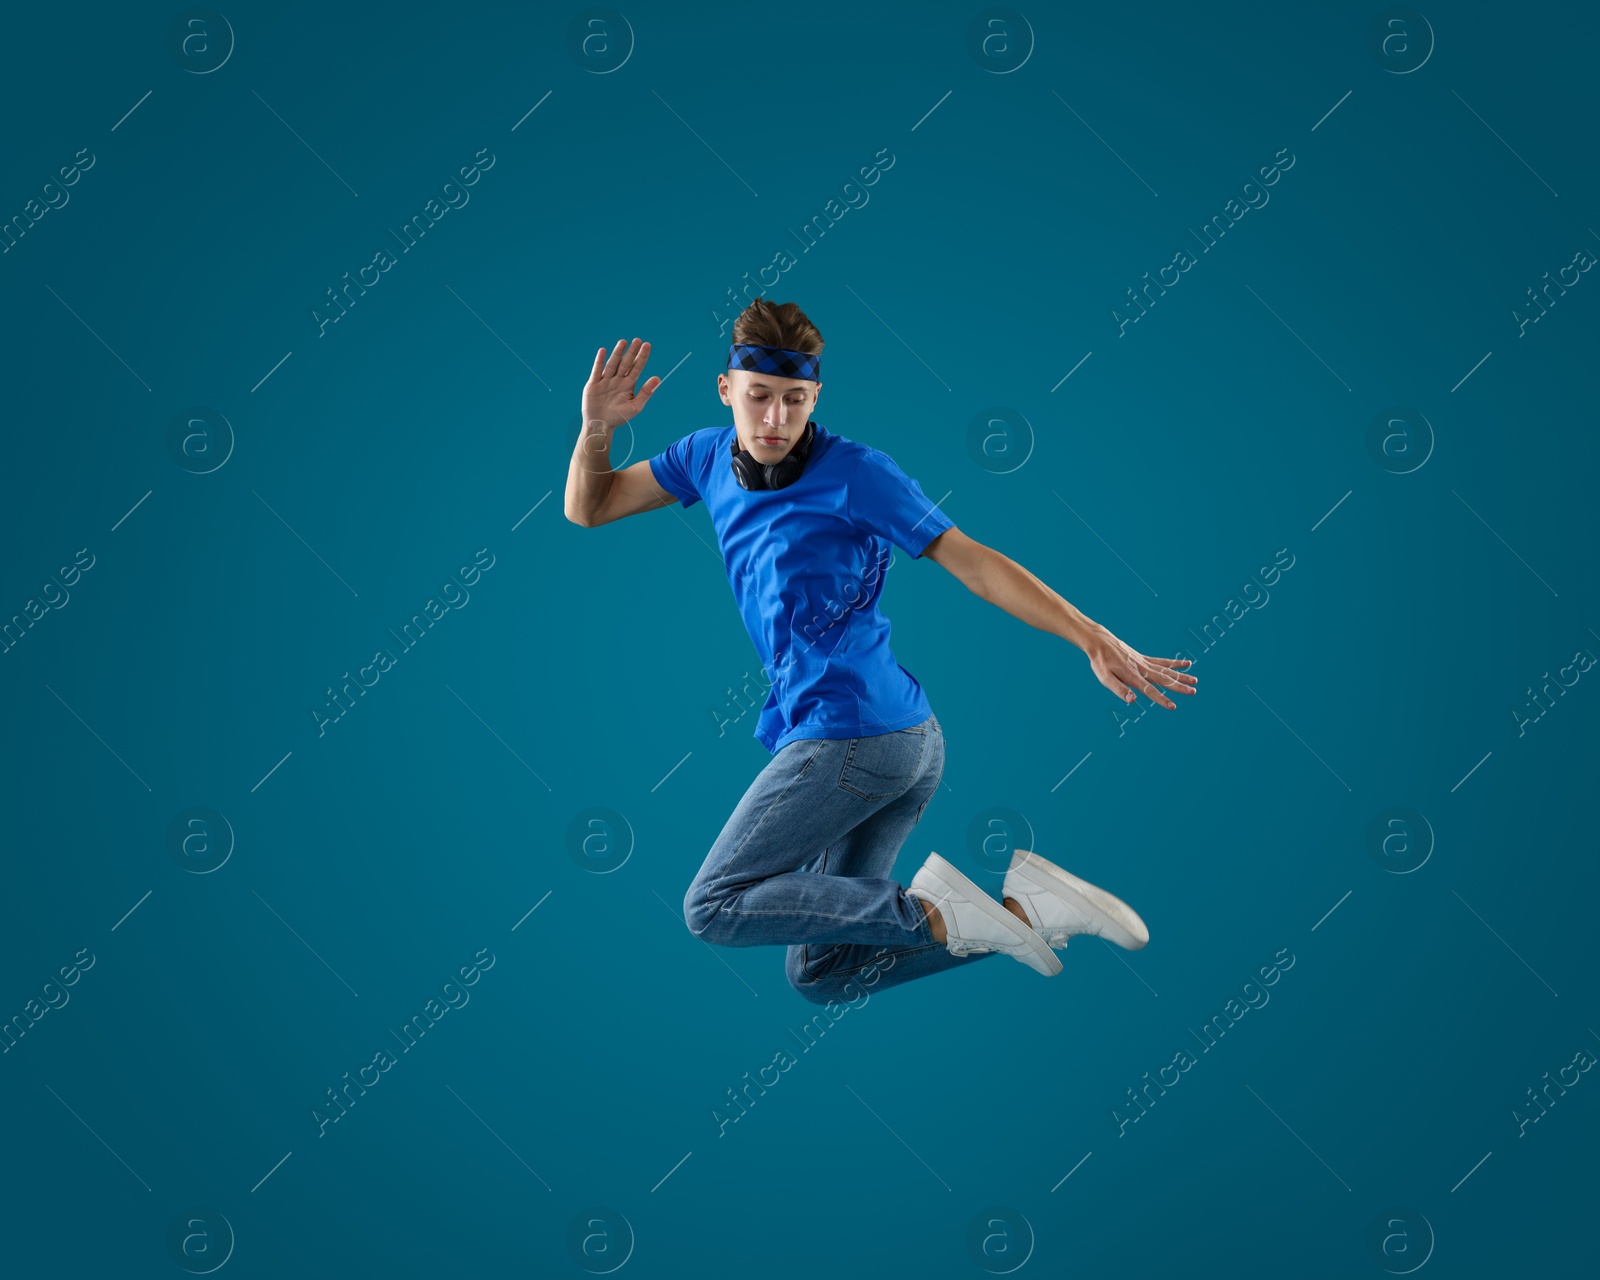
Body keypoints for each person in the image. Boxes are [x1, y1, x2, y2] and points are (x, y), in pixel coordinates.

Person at [564, 299, 1196, 1004]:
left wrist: (1091, 635)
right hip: (894, 745)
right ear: (726, 391)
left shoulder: (858, 473)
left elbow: (974, 562)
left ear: (816, 398)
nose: (775, 420)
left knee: (712, 904)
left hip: (859, 739)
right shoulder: (704, 455)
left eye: (794, 402)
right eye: (760, 399)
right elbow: (589, 507)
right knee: (823, 974)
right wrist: (596, 429)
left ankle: (947, 909)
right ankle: (1032, 912)